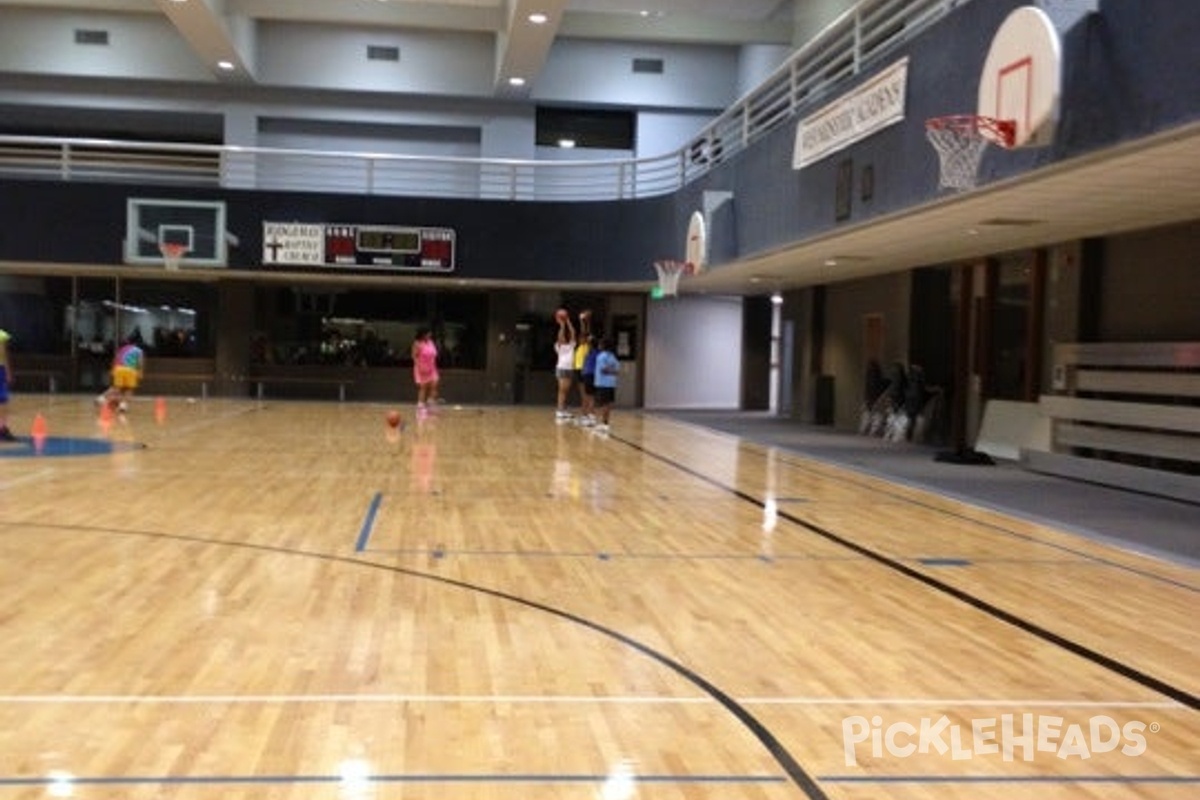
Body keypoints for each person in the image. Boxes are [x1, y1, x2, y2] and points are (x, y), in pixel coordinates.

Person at [100, 335, 145, 414]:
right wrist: (140, 372)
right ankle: (122, 406)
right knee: (129, 389)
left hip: (118, 369)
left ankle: (101, 398)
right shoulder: (139, 350)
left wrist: (112, 370)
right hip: (130, 370)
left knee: (117, 388)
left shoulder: (122, 349)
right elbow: (140, 363)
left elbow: (115, 359)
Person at [591, 337, 619, 435]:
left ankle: (603, 424)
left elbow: (603, 370)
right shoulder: (613, 356)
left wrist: (608, 370)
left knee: (603, 404)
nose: (599, 346)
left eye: (600, 344)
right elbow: (616, 371)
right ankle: (605, 423)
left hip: (602, 383)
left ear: (603, 346)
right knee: (607, 404)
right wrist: (611, 370)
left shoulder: (601, 356)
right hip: (611, 383)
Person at [553, 311, 576, 423]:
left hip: (570, 369)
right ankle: (559, 411)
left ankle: (563, 410)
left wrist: (567, 321)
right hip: (562, 368)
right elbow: (560, 335)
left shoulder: (571, 345)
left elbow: (573, 332)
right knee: (562, 390)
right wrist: (562, 325)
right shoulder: (558, 346)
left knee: (566, 391)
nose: (563, 338)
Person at [573, 310, 595, 426]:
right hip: (578, 371)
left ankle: (587, 416)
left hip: (584, 371)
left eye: (581, 337)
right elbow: (584, 333)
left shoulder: (587, 346)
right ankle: (585, 415)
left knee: (585, 395)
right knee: (583, 395)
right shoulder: (580, 346)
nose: (579, 338)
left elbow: (586, 332)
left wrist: (584, 321)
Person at [411, 327, 440, 411]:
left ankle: (431, 402)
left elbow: (434, 353)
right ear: (423, 334)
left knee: (434, 384)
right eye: (428, 333)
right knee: (423, 386)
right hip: (422, 367)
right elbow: (414, 356)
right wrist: (420, 367)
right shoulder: (417, 343)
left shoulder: (431, 342)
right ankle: (420, 404)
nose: (430, 335)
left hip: (432, 367)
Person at [0, 327, 15, 442]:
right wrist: (8, 371)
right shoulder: (1, 335)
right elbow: (3, 354)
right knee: (3, 400)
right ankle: (2, 429)